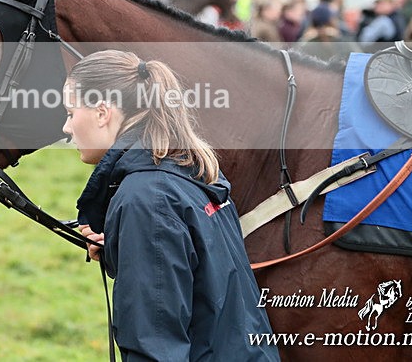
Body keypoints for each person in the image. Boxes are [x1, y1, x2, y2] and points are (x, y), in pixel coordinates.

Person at [63, 50, 278, 361]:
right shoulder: (191, 172)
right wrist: (123, 246)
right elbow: (198, 273)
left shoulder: (147, 199)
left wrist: (140, 233)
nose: (67, 128)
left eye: (71, 113)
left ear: (101, 112)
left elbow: (155, 349)